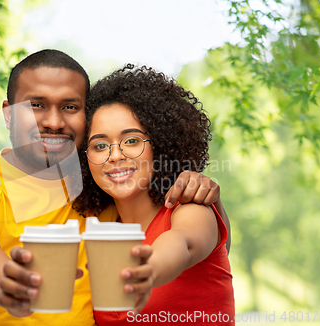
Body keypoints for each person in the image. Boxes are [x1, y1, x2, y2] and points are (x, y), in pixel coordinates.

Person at [0, 50, 230, 326]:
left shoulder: (99, 198)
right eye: (36, 105)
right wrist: (8, 283)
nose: (54, 121)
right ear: (8, 113)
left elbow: (195, 244)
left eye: (70, 107)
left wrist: (205, 193)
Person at [72, 64, 234, 325]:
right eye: (100, 145)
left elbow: (183, 243)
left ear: (160, 144)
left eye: (132, 141)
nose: (115, 156)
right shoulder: (100, 232)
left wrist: (149, 270)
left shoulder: (190, 208)